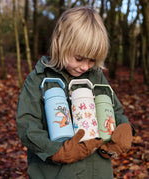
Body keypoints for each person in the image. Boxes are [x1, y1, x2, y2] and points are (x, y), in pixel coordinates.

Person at [16, 6, 134, 179]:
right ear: (59, 43)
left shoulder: (95, 77)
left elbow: (114, 111)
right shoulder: (38, 80)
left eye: (92, 60)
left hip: (97, 172)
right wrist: (56, 152)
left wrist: (124, 127)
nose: (85, 66)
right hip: (56, 174)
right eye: (79, 58)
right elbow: (27, 125)